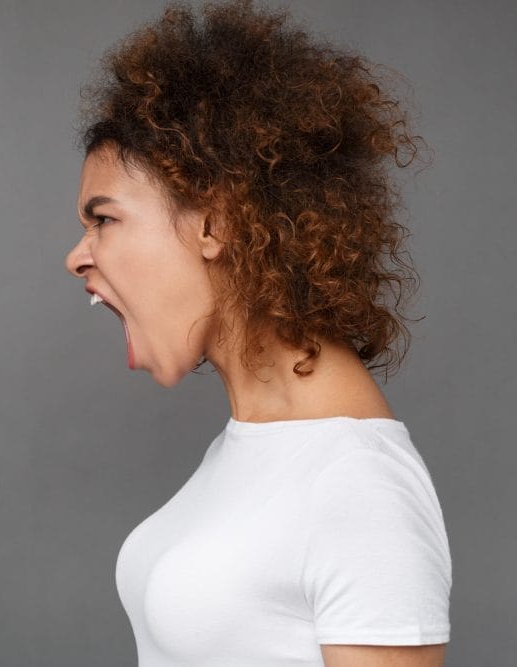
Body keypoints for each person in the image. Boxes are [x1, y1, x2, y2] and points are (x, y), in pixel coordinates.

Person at [65, 3, 450, 666]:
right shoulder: (254, 444)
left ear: (214, 223)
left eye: (105, 219)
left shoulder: (357, 483)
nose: (78, 255)